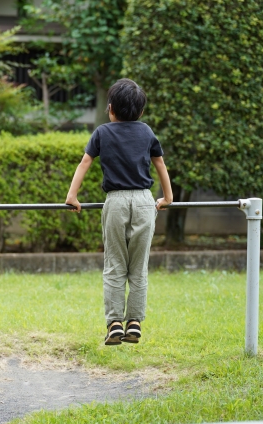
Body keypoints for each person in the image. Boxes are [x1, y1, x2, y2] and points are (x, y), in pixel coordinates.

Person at [65, 78, 173, 346]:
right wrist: (168, 197)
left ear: (110, 108)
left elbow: (85, 162)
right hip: (145, 202)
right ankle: (134, 322)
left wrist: (72, 195)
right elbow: (160, 164)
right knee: (138, 268)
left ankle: (114, 323)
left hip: (115, 202)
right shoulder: (147, 132)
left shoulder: (102, 133)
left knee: (115, 265)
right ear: (141, 111)